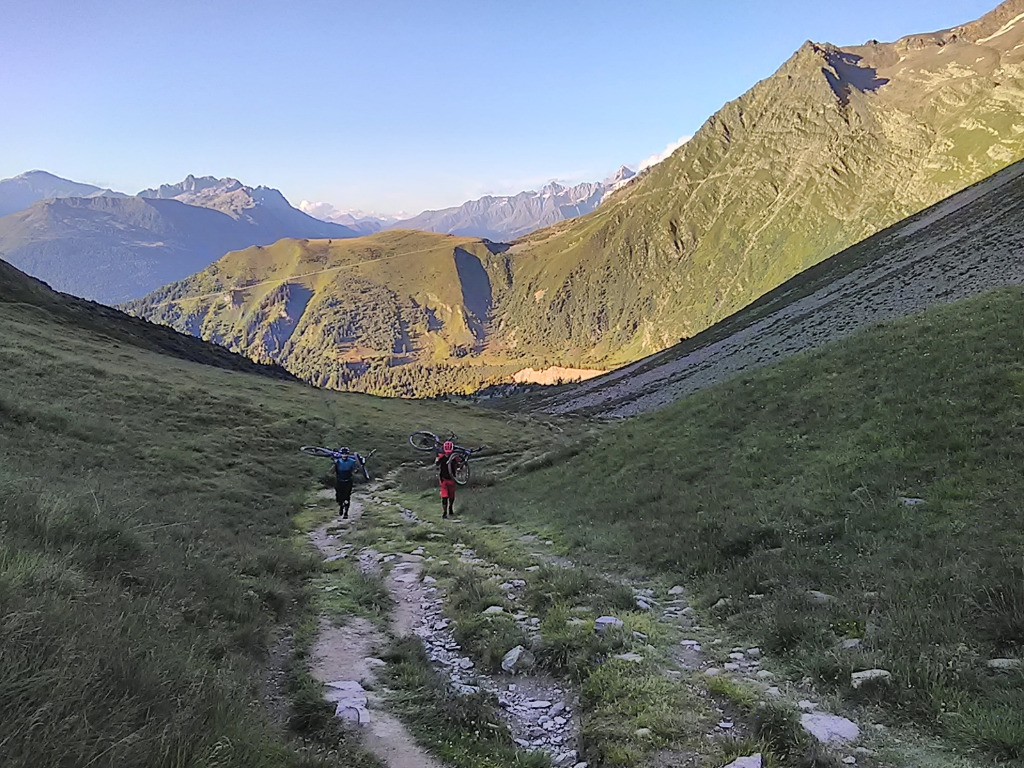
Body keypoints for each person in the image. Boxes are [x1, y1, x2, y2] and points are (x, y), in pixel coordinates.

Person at [332, 447, 364, 519]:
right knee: (339, 497)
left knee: (347, 497)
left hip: (348, 481)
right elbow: (333, 470)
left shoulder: (352, 461)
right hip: (339, 481)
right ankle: (341, 506)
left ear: (348, 454)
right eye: (343, 454)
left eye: (346, 454)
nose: (344, 455)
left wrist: (356, 470)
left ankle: (346, 512)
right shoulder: (337, 461)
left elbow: (355, 469)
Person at [435, 440, 458, 518]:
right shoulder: (442, 456)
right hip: (444, 480)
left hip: (452, 480)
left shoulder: (455, 457)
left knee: (451, 497)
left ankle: (450, 508)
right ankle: (444, 512)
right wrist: (437, 458)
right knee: (444, 496)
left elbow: (460, 464)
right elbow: (437, 463)